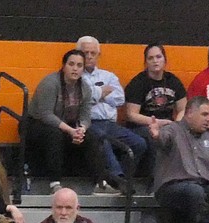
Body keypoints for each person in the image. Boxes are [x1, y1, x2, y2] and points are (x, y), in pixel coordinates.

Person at [25, 49, 115, 193]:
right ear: (64, 66)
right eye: (71, 64)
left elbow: (85, 115)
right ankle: (55, 183)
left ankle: (101, 183)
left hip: (66, 124)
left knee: (92, 136)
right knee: (54, 134)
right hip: (35, 123)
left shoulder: (85, 87)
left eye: (79, 65)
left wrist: (81, 130)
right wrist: (70, 130)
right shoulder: (50, 83)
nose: (75, 68)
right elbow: (46, 114)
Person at [76, 36, 147, 183]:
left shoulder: (108, 75)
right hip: (89, 123)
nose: (89, 56)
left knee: (139, 143)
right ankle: (118, 179)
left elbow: (120, 99)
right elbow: (80, 100)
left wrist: (95, 95)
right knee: (102, 139)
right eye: (85, 53)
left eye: (93, 53)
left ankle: (122, 180)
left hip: (110, 124)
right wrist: (101, 93)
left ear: (98, 55)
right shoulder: (75, 77)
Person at [123, 44, 187, 160]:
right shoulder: (138, 83)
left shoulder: (173, 80)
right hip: (142, 126)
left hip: (168, 124)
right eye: (150, 58)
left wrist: (177, 124)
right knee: (155, 136)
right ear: (146, 62)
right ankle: (156, 176)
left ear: (165, 60)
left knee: (183, 134)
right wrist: (157, 122)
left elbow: (183, 108)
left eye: (158, 57)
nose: (155, 61)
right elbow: (131, 115)